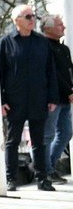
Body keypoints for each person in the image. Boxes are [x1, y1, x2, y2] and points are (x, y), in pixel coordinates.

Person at [0, 3, 58, 191]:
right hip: (14, 102)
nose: (32, 19)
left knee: (39, 141)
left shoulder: (42, 42)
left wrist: (52, 97)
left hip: (38, 99)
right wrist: (0, 100)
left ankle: (42, 178)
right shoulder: (6, 42)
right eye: (28, 17)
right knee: (12, 141)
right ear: (16, 21)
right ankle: (11, 179)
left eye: (33, 16)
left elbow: (51, 71)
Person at [40, 14, 73, 183]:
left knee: (66, 132)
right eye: (60, 25)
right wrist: (68, 91)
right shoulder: (44, 47)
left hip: (66, 98)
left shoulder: (63, 49)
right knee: (47, 135)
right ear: (48, 28)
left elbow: (68, 73)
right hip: (52, 98)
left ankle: (49, 165)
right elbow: (54, 75)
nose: (64, 27)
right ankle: (45, 169)